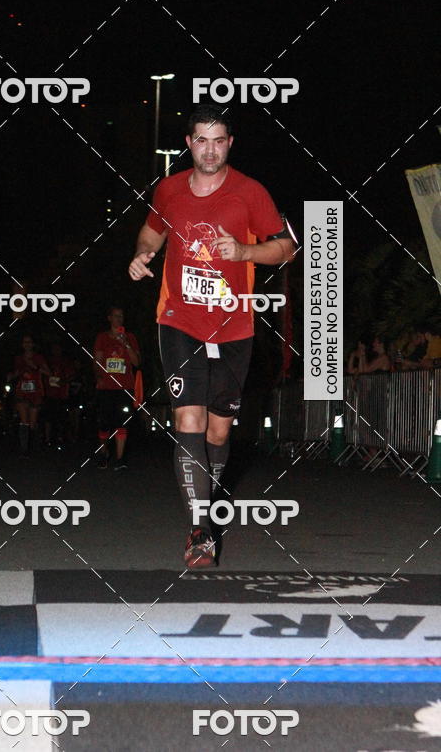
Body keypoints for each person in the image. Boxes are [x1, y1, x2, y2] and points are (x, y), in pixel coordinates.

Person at [128, 105, 295, 568]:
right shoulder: (169, 189)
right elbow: (151, 232)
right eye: (201, 139)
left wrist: (244, 250)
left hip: (235, 323)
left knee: (220, 428)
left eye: (218, 140)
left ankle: (210, 499)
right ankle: (200, 529)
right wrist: (142, 255)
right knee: (189, 421)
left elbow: (287, 248)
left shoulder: (250, 192)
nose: (209, 149)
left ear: (229, 143)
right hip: (179, 320)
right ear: (188, 143)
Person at [93, 307, 140, 469]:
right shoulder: (102, 338)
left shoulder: (130, 337)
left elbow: (136, 363)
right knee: (104, 423)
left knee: (122, 422)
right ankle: (104, 452)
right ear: (109, 318)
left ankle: (120, 459)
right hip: (106, 387)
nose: (119, 319)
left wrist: (126, 344)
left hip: (124, 387)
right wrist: (99, 377)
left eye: (122, 316)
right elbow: (97, 360)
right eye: (116, 316)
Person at [8, 334, 49, 455]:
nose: (27, 344)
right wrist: (12, 375)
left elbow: (48, 372)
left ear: (33, 344)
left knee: (33, 421)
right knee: (23, 420)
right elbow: (16, 372)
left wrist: (35, 367)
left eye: (29, 342)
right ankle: (24, 449)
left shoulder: (39, 357)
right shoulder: (18, 358)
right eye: (25, 342)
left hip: (35, 392)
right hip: (22, 391)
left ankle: (33, 446)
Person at [44, 342, 73, 449]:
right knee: (48, 417)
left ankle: (61, 438)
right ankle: (47, 439)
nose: (56, 350)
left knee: (62, 418)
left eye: (58, 348)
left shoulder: (65, 362)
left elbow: (71, 375)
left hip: (61, 394)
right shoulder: (48, 361)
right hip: (49, 394)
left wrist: (63, 381)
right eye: (54, 348)